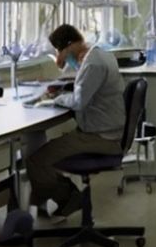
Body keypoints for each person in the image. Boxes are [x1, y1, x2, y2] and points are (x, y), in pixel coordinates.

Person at [26, 24, 127, 217]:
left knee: (36, 161)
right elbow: (87, 89)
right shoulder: (101, 55)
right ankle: (43, 202)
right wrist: (66, 89)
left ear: (70, 44)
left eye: (61, 51)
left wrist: (56, 99)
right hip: (108, 130)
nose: (61, 56)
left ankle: (68, 197)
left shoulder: (92, 64)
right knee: (45, 155)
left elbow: (79, 102)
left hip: (101, 137)